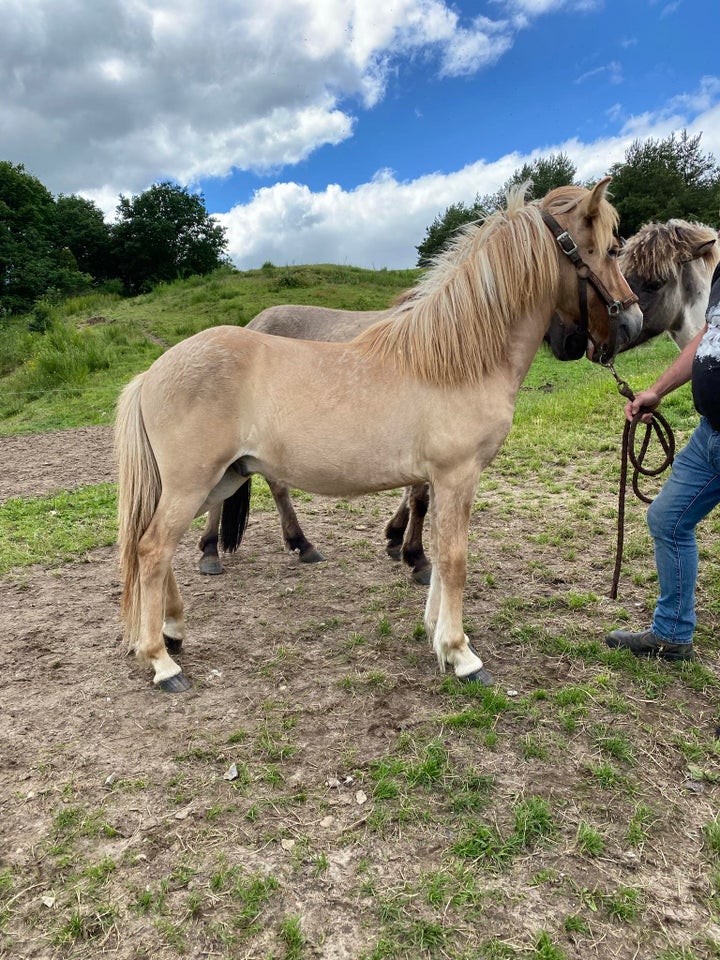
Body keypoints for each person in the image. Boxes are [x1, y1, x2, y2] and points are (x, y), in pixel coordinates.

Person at [606, 261, 720, 662]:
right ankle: (672, 633)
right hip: (712, 433)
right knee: (668, 519)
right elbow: (710, 335)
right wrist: (657, 390)